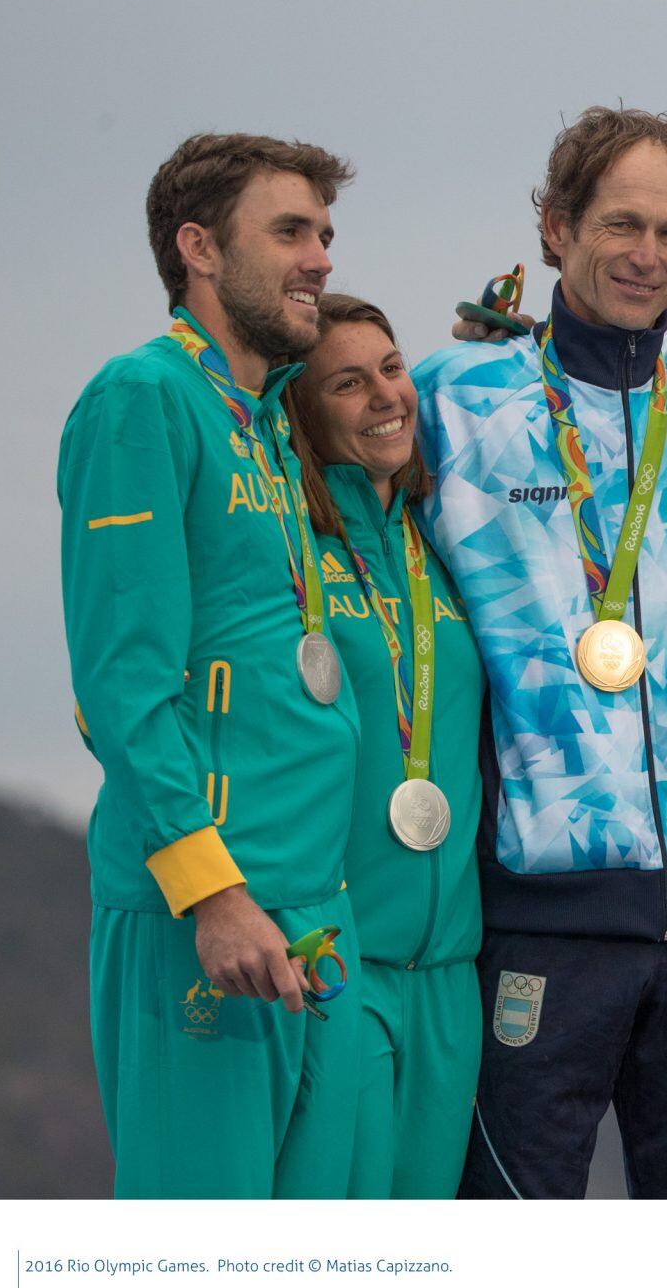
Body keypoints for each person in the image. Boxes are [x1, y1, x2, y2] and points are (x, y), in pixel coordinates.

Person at [413, 107, 667, 1198]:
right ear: (555, 226)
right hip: (541, 912)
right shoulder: (452, 400)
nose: (645, 255)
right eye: (620, 224)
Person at [58, 132, 363, 1197]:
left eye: (324, 234)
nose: (321, 257)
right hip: (213, 917)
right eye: (289, 232)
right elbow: (122, 686)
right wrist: (211, 895)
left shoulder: (270, 427)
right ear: (197, 248)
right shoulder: (140, 399)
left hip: (318, 917)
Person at [283, 294, 487, 1198]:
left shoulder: (438, 544)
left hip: (449, 970)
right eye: (348, 382)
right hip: (342, 959)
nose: (384, 397)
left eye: (392, 370)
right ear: (302, 408)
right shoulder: (292, 549)